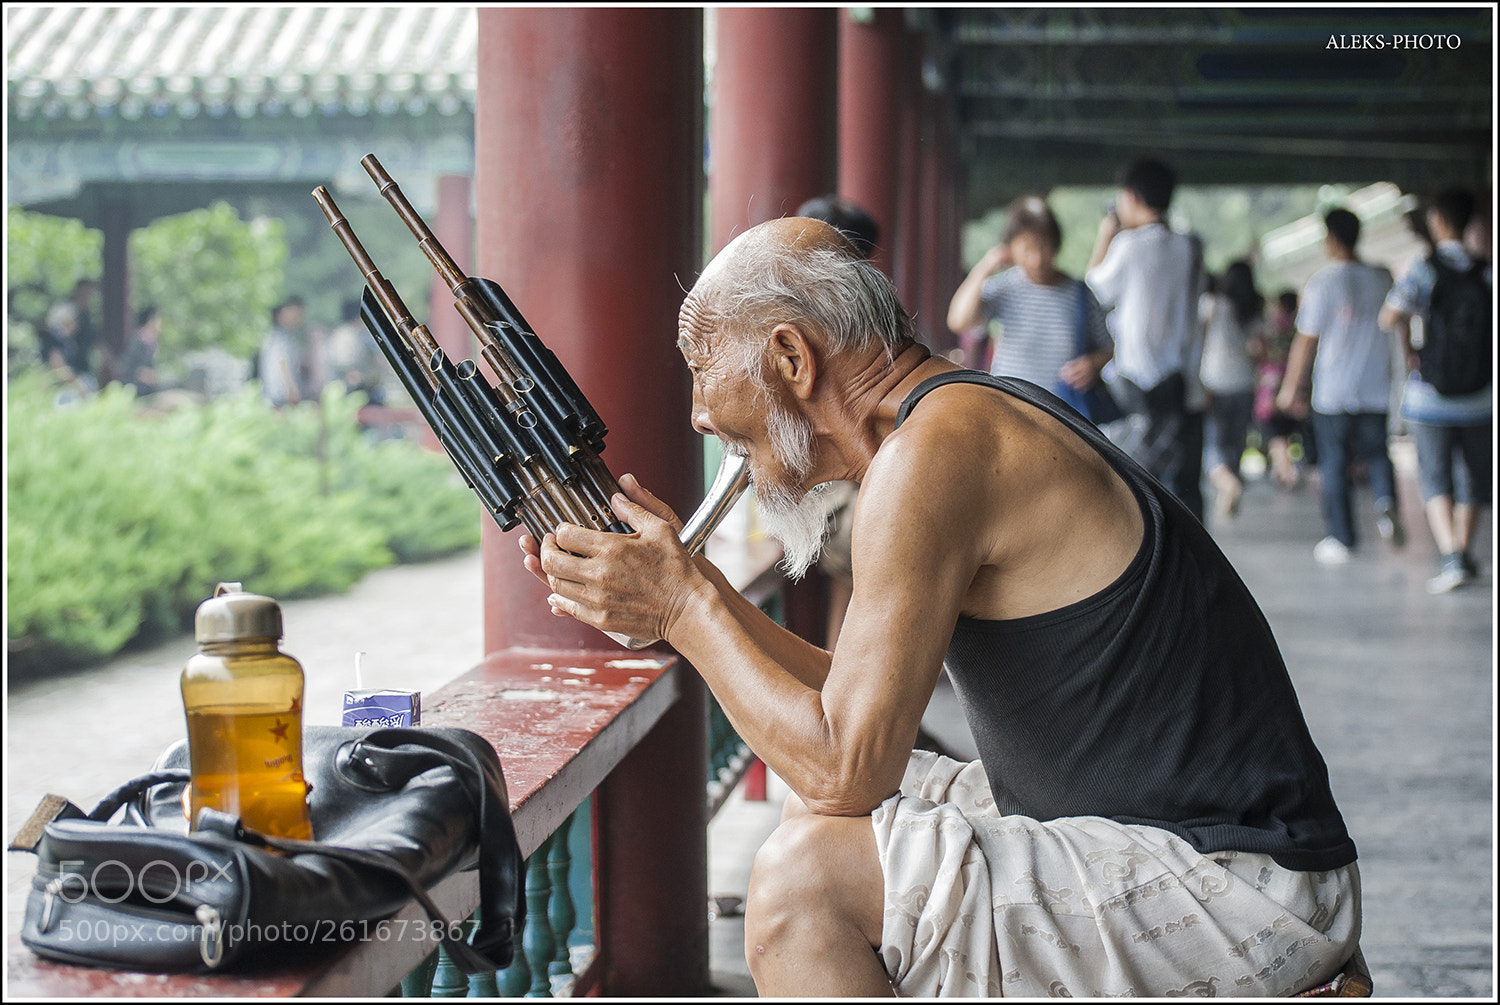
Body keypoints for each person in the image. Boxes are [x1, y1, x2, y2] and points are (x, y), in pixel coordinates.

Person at [520, 217, 1360, 997]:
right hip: (1181, 836)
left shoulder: (933, 454)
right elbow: (851, 718)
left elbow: (847, 766)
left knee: (801, 884)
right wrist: (679, 597)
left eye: (703, 368)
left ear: (789, 358)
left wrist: (683, 604)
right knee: (811, 814)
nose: (701, 414)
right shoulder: (948, 419)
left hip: (1247, 885)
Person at [1379, 188, 1492, 594]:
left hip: (1430, 397)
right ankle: (1462, 551)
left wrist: (1412, 350)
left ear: (1438, 222)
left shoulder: (1422, 270)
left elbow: (1388, 316)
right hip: (1483, 398)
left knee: (1435, 477)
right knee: (1475, 480)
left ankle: (1451, 556)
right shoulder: (1487, 272)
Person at [1277, 209, 1402, 567]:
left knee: (1334, 462)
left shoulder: (1323, 282)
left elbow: (1306, 341)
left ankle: (1342, 538)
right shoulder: (1382, 277)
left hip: (1333, 390)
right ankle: (1384, 499)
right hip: (1375, 386)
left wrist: (1290, 388)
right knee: (1378, 453)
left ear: (1331, 239)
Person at [1086, 158, 1207, 521]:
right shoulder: (1189, 247)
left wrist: (1105, 237)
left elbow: (1095, 290)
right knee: (1177, 474)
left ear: (1132, 197)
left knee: (1132, 476)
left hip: (1133, 378)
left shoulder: (1130, 245)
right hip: (1176, 378)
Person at [794, 194, 882, 647]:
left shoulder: (859, 320)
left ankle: (853, 698)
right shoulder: (800, 320)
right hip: (815, 496)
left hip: (846, 489)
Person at [946, 194, 1113, 408]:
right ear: (1011, 248)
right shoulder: (1005, 287)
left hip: (1063, 411)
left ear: (1057, 243)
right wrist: (987, 265)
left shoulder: (1080, 293)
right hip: (1009, 405)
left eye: (1044, 246)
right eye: (1027, 249)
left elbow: (1107, 346)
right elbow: (959, 320)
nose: (1037, 259)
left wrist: (1093, 364)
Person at [1198, 260, 1264, 521]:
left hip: (1214, 381)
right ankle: (1231, 482)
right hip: (1245, 383)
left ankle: (1226, 483)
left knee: (1213, 441)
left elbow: (1198, 343)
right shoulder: (1253, 310)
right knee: (1236, 440)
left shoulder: (1211, 304)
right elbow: (1260, 350)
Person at [1255, 290, 1306, 489]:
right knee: (1283, 431)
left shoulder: (1273, 327)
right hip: (1295, 386)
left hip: (1273, 387)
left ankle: (1286, 472)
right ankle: (1282, 469)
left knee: (1275, 432)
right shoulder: (1298, 327)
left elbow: (1264, 354)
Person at [259, 297, 306, 407]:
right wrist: (291, 388)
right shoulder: (278, 337)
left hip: (279, 394)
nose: (298, 318)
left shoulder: (288, 336)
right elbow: (282, 362)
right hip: (279, 394)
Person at [119, 305, 162, 396]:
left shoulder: (152, 343)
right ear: (150, 321)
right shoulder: (138, 341)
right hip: (135, 389)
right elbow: (124, 366)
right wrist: (140, 373)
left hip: (148, 389)